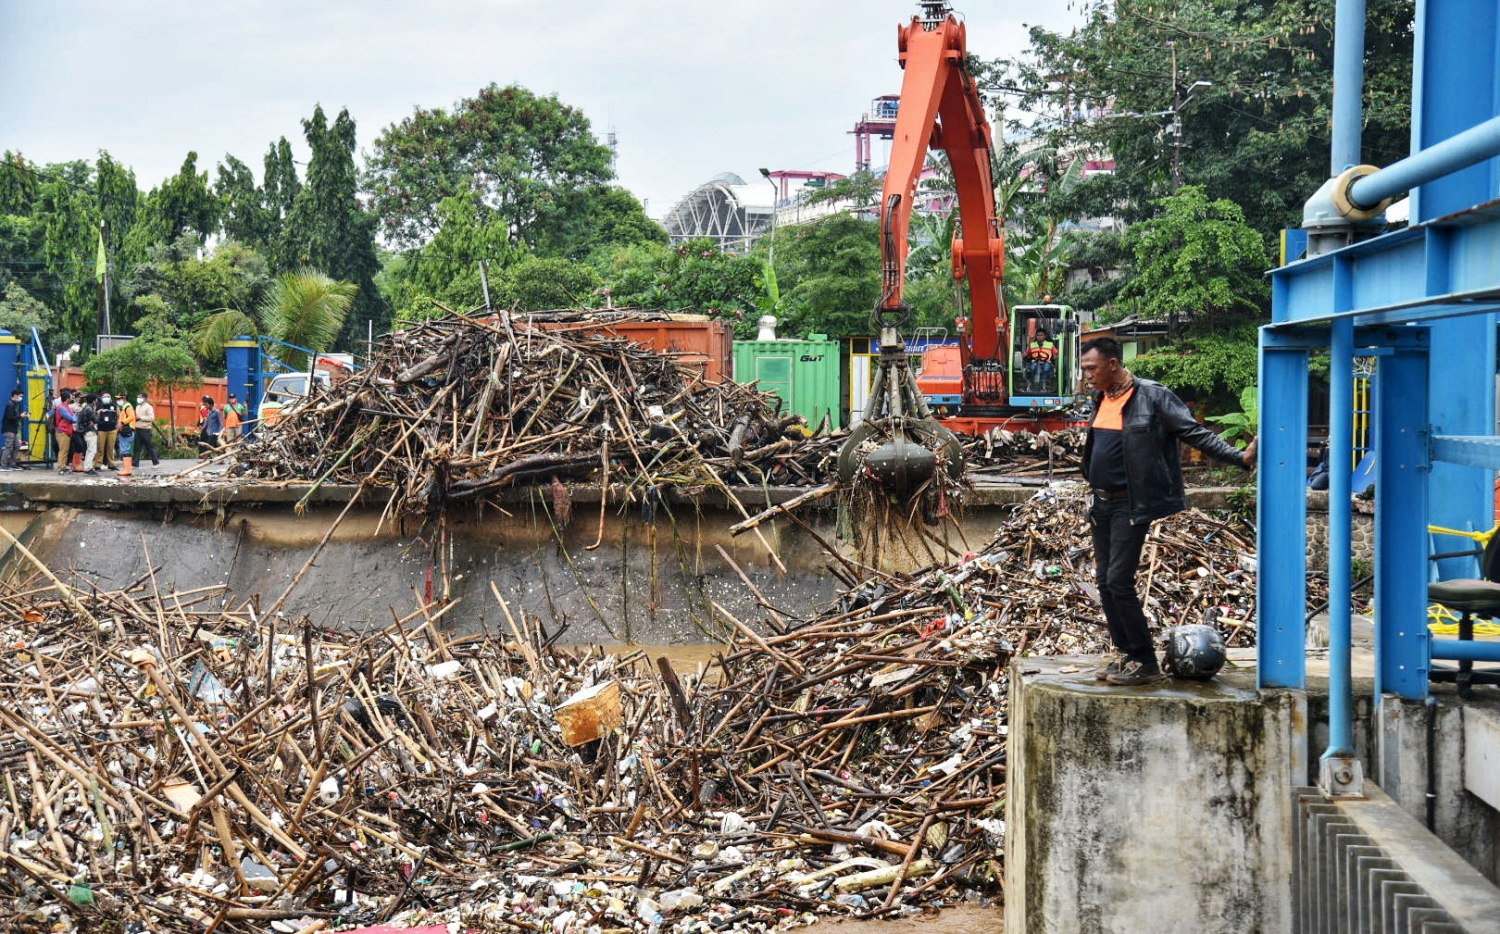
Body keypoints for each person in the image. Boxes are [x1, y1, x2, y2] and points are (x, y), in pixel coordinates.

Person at [1080, 336, 1258, 686]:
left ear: (1112, 365)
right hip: (1100, 502)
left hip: (1131, 503)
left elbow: (1193, 433)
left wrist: (1238, 457)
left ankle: (1144, 660)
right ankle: (1126, 652)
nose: (1086, 374)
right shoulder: (1102, 397)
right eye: (1084, 368)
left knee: (1118, 580)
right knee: (1103, 581)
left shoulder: (1152, 396)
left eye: (1091, 367)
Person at [133, 393, 161, 467]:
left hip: (146, 429)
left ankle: (155, 462)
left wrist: (141, 418)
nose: (138, 398)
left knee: (149, 447)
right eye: (138, 397)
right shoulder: (138, 407)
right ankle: (135, 464)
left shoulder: (148, 407)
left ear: (145, 398)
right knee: (137, 447)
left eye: (140, 397)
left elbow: (151, 418)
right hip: (138, 428)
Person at [76, 393, 100, 474]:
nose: (96, 401)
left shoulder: (85, 408)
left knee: (89, 450)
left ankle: (87, 466)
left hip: (86, 431)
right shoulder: (89, 409)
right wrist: (98, 413)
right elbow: (96, 420)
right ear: (93, 401)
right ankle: (88, 468)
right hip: (90, 431)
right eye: (96, 400)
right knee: (92, 450)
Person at [95, 392, 120, 470]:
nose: (106, 398)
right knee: (100, 448)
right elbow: (94, 416)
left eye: (108, 396)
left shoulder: (114, 406)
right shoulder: (98, 406)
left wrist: (118, 425)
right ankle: (98, 465)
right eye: (104, 396)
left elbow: (119, 416)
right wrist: (98, 412)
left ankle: (111, 465)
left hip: (112, 430)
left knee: (111, 448)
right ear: (102, 398)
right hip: (101, 430)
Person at [54, 390, 77, 474]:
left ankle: (63, 467)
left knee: (65, 450)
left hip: (65, 431)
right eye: (71, 396)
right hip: (62, 431)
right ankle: (61, 468)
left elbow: (73, 417)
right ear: (67, 398)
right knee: (63, 450)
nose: (72, 397)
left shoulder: (65, 406)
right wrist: (74, 417)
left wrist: (73, 416)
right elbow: (72, 418)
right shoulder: (62, 408)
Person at [1, 388, 23, 470]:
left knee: (17, 445)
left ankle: (12, 463)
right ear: (15, 395)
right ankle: (3, 465)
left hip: (13, 429)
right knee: (8, 447)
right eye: (20, 396)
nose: (21, 398)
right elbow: (10, 417)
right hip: (9, 429)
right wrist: (20, 416)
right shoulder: (10, 404)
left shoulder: (15, 404)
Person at [117, 393, 136, 468]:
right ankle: (126, 466)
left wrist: (122, 422)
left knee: (125, 449)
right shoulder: (124, 407)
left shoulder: (128, 407)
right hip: (125, 430)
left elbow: (131, 417)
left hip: (127, 430)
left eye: (119, 399)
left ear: (124, 399)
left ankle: (127, 468)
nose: (118, 401)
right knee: (125, 448)